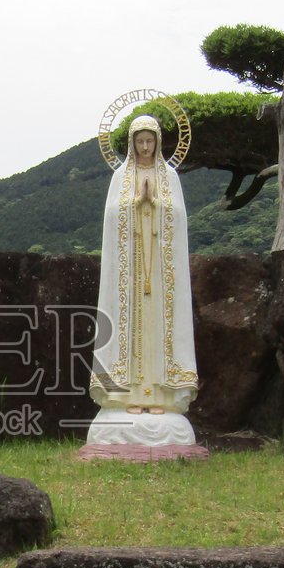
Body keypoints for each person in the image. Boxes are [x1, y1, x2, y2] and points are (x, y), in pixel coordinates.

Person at [88, 114, 198, 419]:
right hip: (131, 271)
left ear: (158, 143)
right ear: (132, 144)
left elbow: (178, 214)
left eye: (150, 141)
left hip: (160, 272)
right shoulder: (121, 177)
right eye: (140, 142)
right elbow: (113, 216)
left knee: (158, 328)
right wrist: (136, 201)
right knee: (130, 328)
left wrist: (157, 203)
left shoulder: (169, 177)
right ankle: (128, 395)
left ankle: (162, 396)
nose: (146, 147)